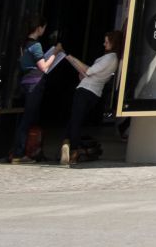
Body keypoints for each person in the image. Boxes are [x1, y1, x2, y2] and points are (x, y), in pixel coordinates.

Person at [61, 30, 121, 167]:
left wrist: (68, 56)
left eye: (107, 41)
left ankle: (72, 148)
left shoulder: (109, 58)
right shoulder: (115, 60)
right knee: (75, 119)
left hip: (86, 90)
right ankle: (67, 144)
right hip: (95, 93)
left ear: (113, 43)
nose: (104, 44)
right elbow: (92, 73)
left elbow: (89, 71)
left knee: (75, 120)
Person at [11, 18, 64, 163]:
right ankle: (19, 153)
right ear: (39, 28)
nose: (44, 30)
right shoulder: (36, 46)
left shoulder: (23, 44)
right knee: (28, 119)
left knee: (27, 118)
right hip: (35, 83)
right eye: (44, 27)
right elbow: (44, 67)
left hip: (25, 82)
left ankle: (28, 151)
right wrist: (56, 52)